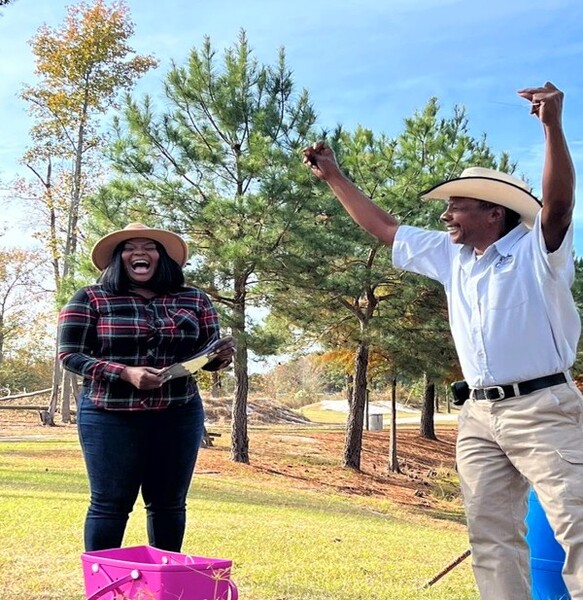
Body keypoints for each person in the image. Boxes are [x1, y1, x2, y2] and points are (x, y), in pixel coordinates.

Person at [302, 82, 583, 600]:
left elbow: (560, 206)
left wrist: (551, 126)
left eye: (456, 206)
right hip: (478, 416)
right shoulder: (452, 256)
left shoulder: (537, 250)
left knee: (579, 531)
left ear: (493, 213)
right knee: (491, 537)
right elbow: (385, 227)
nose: (445, 215)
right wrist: (335, 177)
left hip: (544, 408)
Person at [58, 222, 235, 552]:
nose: (139, 252)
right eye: (129, 247)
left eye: (149, 246)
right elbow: (70, 356)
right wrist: (124, 373)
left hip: (177, 414)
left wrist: (218, 357)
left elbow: (207, 354)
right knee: (109, 505)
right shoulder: (91, 298)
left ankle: (165, 582)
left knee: (168, 505)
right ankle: (105, 587)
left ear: (163, 257)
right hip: (109, 415)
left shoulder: (194, 299)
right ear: (117, 258)